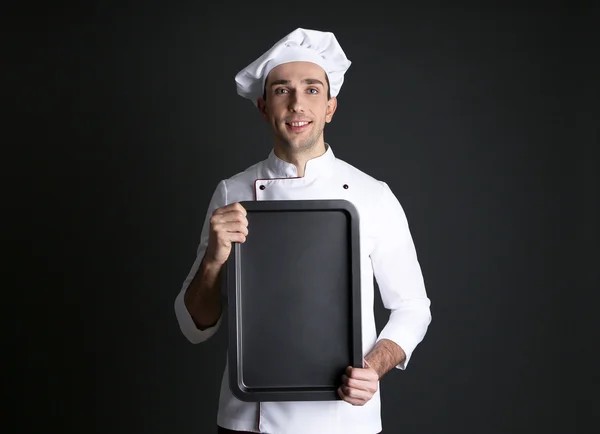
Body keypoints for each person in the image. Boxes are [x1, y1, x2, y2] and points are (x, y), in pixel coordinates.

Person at [174, 28, 432, 434]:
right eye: (282, 90)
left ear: (330, 107)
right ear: (263, 107)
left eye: (312, 90)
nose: (297, 104)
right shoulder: (232, 191)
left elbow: (413, 306)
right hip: (247, 420)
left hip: (345, 419)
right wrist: (213, 260)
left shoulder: (373, 195)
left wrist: (375, 367)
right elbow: (195, 326)